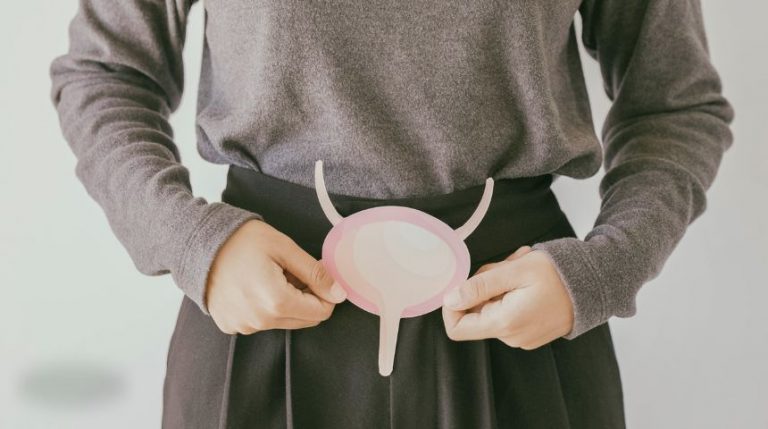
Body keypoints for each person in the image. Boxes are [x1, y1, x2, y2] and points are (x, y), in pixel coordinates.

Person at [49, 0, 734, 428]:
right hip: (260, 316)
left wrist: (606, 268)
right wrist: (194, 242)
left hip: (517, 320)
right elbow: (104, 74)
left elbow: (676, 106)